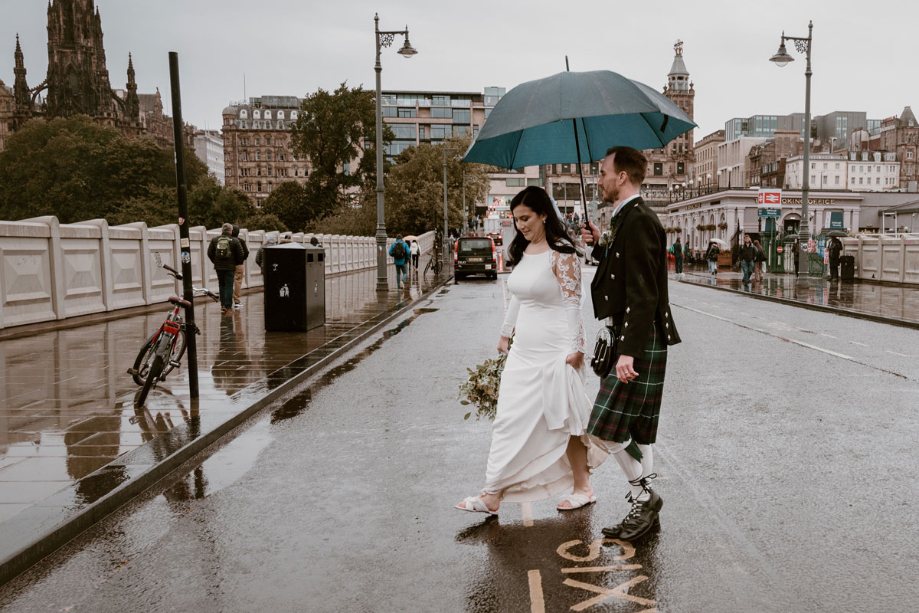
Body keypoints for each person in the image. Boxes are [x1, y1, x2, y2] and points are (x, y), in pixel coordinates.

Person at [456, 186, 607, 517]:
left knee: (564, 419)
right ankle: (492, 491)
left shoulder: (562, 254)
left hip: (557, 349)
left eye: (526, 218)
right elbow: (519, 296)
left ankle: (583, 487)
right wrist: (504, 334)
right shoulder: (524, 252)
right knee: (508, 420)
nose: (520, 225)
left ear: (543, 215)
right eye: (516, 219)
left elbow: (573, 304)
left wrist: (577, 348)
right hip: (524, 351)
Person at [581, 146, 681, 541]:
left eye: (603, 172)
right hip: (637, 334)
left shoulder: (637, 220)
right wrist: (599, 246)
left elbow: (643, 294)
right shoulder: (627, 219)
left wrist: (627, 351)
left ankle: (645, 495)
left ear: (622, 176)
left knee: (603, 428)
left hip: (636, 337)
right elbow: (626, 271)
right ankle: (644, 512)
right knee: (638, 430)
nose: (599, 178)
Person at [207, 223, 245, 314]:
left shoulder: (214, 240)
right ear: (231, 231)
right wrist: (234, 263)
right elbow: (241, 255)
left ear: (222, 230)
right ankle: (228, 306)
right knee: (229, 285)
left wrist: (215, 262)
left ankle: (223, 305)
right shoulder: (235, 240)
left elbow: (209, 253)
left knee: (221, 285)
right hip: (230, 267)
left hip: (219, 267)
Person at [230, 225, 249, 309]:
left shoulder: (228, 241)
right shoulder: (240, 241)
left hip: (228, 265)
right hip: (239, 264)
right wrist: (242, 259)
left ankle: (227, 303)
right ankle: (237, 301)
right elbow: (246, 252)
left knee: (228, 282)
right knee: (238, 282)